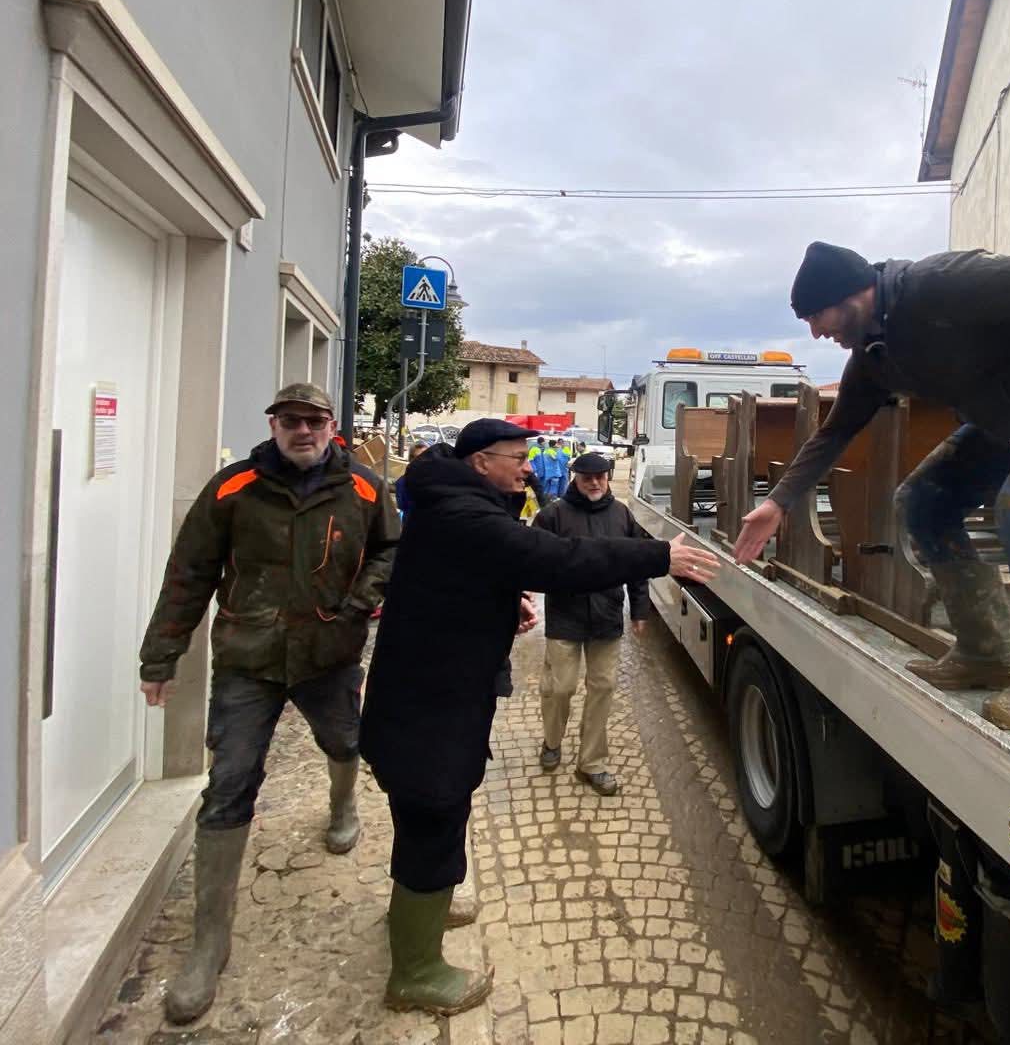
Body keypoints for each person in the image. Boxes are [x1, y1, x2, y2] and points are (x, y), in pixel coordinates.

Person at [360, 418, 720, 1015]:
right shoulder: (466, 515)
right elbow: (554, 558)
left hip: (430, 695)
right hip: (430, 704)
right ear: (482, 463)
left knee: (432, 814)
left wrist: (504, 602)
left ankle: (423, 906)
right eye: (516, 457)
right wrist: (660, 555)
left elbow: (484, 571)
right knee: (434, 809)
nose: (528, 467)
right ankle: (415, 970)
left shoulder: (457, 500)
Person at [732, 242, 1010, 732]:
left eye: (816, 316)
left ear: (851, 294)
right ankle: (985, 653)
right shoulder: (876, 356)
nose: (816, 331)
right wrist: (778, 502)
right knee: (923, 502)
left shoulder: (941, 283)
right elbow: (835, 432)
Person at [138, 382, 400, 1023]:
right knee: (228, 783)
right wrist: (160, 656)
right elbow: (188, 572)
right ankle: (209, 943)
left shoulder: (364, 487)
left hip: (328, 653)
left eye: (313, 420)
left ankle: (342, 805)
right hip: (248, 660)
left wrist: (360, 601)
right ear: (275, 426)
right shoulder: (233, 488)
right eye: (290, 421)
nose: (302, 430)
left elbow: (393, 550)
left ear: (332, 425)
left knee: (344, 741)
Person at [533, 452, 649, 796]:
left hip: (607, 617)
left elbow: (638, 562)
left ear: (608, 477)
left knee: (603, 688)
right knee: (560, 687)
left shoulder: (621, 515)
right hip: (565, 616)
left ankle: (591, 763)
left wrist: (639, 609)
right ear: (576, 478)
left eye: (601, 476)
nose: (595, 482)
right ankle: (552, 741)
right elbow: (531, 558)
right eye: (588, 477)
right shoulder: (553, 515)